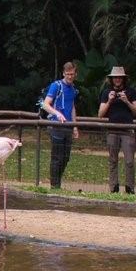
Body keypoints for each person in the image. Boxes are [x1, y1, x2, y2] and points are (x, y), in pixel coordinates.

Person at [97, 66, 136, 194]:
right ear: (111, 79)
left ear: (123, 79)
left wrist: (127, 101)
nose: (117, 79)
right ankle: (113, 187)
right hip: (112, 130)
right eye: (115, 77)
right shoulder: (106, 93)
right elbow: (100, 114)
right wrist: (110, 101)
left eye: (119, 77)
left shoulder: (131, 91)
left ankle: (130, 188)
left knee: (129, 161)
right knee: (112, 160)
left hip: (127, 130)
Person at [41, 61, 80, 189]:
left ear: (75, 74)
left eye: (72, 74)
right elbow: (45, 104)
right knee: (57, 157)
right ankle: (55, 185)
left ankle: (57, 181)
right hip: (56, 126)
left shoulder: (73, 89)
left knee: (66, 157)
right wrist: (57, 114)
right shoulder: (56, 86)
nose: (70, 76)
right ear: (63, 73)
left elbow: (72, 107)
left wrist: (75, 126)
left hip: (68, 126)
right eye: (67, 74)